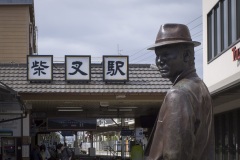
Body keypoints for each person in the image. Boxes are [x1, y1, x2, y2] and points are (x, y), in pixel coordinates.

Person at [144, 23, 214, 160]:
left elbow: (174, 155)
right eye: (157, 56)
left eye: (165, 55)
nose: (159, 61)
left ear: (187, 55)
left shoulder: (178, 94)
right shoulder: (200, 87)